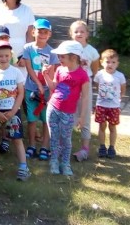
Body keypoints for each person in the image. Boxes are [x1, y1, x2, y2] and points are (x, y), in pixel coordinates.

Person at [42, 40, 91, 176]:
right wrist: (46, 75)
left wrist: (82, 116)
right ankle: (54, 161)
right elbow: (53, 87)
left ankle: (65, 163)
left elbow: (85, 97)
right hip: (53, 108)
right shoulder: (59, 69)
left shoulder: (82, 75)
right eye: (59, 56)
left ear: (73, 57)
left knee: (66, 139)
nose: (59, 59)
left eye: (62, 56)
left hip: (68, 113)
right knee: (54, 137)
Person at [19, 18, 59, 161]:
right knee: (31, 119)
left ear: (50, 34)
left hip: (47, 92)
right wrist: (39, 84)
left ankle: (44, 146)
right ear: (33, 32)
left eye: (45, 32)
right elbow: (29, 68)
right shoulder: (28, 48)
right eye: (39, 31)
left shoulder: (52, 52)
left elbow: (53, 73)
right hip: (31, 88)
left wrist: (48, 88)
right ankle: (31, 145)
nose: (42, 34)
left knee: (46, 119)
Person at [0, 40, 30, 181]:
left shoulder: (16, 72)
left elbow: (21, 92)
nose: (3, 59)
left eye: (6, 56)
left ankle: (23, 167)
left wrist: (14, 110)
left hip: (12, 110)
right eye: (0, 56)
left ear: (11, 56)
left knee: (17, 139)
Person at [69, 20, 100, 162]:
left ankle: (85, 148)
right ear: (71, 34)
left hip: (84, 87)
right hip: (69, 87)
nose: (79, 34)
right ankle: (64, 145)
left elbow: (94, 69)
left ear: (87, 34)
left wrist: (90, 83)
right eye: (76, 31)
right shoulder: (68, 48)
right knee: (68, 116)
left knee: (85, 116)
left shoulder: (92, 51)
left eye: (82, 31)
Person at [94, 49, 127, 159]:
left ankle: (112, 147)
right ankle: (102, 146)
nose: (110, 65)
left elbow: (123, 89)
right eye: (107, 62)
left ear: (117, 64)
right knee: (102, 126)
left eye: (113, 62)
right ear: (102, 62)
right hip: (101, 105)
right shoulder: (99, 74)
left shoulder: (120, 76)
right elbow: (97, 86)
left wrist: (119, 99)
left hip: (113, 106)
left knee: (112, 127)